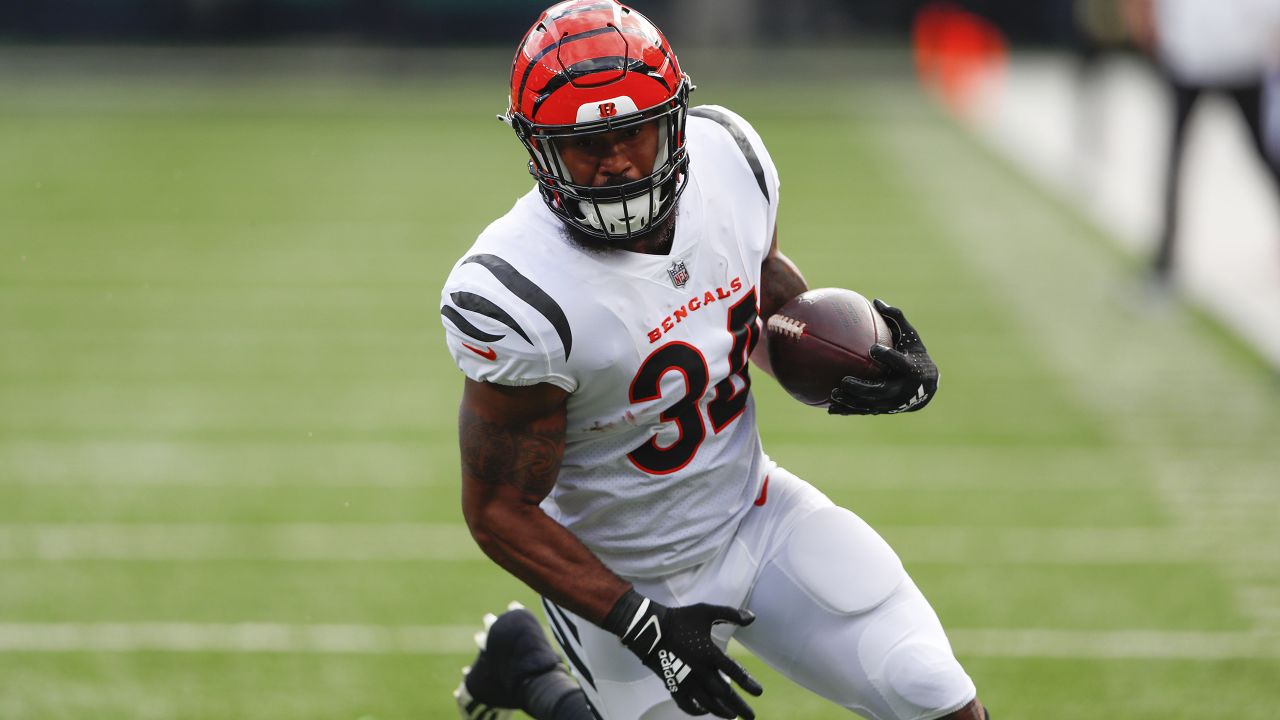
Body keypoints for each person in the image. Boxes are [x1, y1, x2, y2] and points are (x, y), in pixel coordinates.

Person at [440, 2, 989, 718]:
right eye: (585, 144)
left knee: (931, 689)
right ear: (539, 150)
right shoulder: (519, 293)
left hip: (753, 516)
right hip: (616, 577)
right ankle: (534, 675)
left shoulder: (730, 160)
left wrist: (867, 357)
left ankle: (525, 669)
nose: (616, 161)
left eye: (633, 132)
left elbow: (759, 304)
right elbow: (498, 511)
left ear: (673, 119)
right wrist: (642, 624)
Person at [1122, 0, 1280, 282]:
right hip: (1189, 56)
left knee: (1266, 154)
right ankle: (1164, 260)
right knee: (1175, 159)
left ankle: (1164, 262)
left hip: (1241, 58)